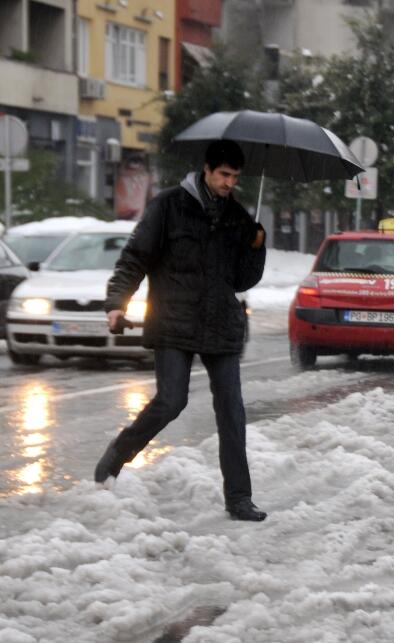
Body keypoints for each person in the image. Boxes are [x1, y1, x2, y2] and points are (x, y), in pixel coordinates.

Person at [94, 140, 269, 522]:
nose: (229, 183)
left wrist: (256, 246)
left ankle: (239, 498)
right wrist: (116, 303)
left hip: (220, 323)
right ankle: (116, 456)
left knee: (232, 412)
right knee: (172, 401)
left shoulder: (239, 217)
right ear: (206, 169)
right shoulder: (169, 206)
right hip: (174, 319)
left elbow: (241, 280)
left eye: (235, 177)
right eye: (224, 174)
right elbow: (135, 257)